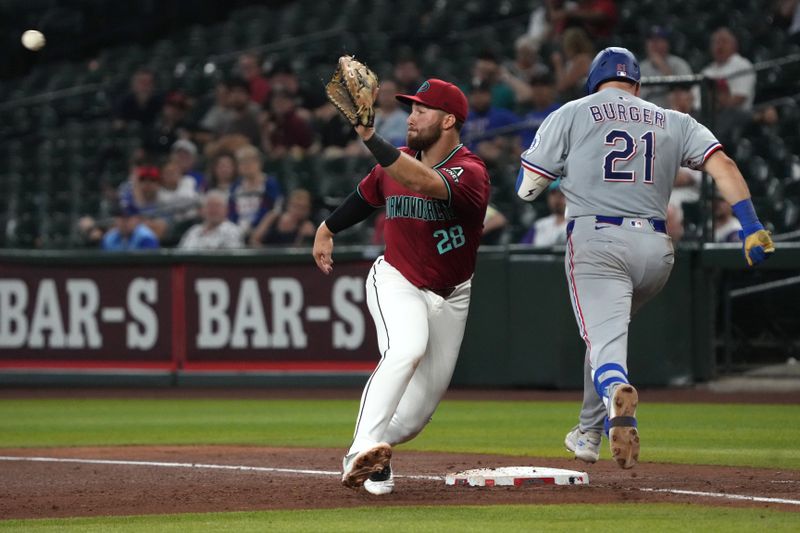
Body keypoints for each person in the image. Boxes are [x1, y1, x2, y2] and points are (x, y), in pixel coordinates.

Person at [516, 47, 774, 469]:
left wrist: (566, 167)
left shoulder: (574, 111)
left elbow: (528, 188)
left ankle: (619, 393)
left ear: (594, 82)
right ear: (637, 85)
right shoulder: (674, 119)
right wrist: (748, 225)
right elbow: (721, 163)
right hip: (657, 249)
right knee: (604, 338)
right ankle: (587, 434)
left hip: (598, 242)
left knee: (606, 347)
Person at [312, 78, 490, 495]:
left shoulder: (472, 171)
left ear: (449, 120)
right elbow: (365, 195)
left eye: (421, 110)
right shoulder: (395, 163)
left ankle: (377, 451)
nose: (411, 117)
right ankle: (362, 451)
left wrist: (371, 138)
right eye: (410, 110)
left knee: (411, 419)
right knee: (406, 348)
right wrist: (326, 227)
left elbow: (423, 182)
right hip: (397, 278)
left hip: (453, 295)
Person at [228, 145, 283, 236]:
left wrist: (260, 230)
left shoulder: (270, 183)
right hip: (238, 230)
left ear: (259, 163)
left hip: (264, 230)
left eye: (250, 161)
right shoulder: (235, 186)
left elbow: (275, 209)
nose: (246, 165)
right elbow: (231, 210)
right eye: (242, 162)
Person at [702, 28, 757, 111]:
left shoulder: (742, 65)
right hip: (708, 117)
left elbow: (739, 99)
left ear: (734, 45)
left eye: (724, 41)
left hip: (737, 117)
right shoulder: (706, 71)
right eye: (716, 42)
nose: (720, 46)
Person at [638, 26, 693, 108]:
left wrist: (663, 67)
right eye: (651, 40)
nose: (654, 44)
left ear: (667, 43)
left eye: (659, 40)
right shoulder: (639, 68)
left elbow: (686, 95)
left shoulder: (679, 64)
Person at [250, 188, 316, 247]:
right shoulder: (273, 217)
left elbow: (297, 253)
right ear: (288, 205)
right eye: (295, 206)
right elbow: (254, 240)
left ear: (308, 210)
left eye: (303, 208)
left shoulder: (307, 227)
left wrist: (302, 236)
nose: (298, 211)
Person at [178, 190, 244, 250]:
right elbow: (179, 255)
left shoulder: (232, 231)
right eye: (209, 206)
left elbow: (232, 259)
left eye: (217, 206)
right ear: (202, 210)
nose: (213, 210)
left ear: (226, 210)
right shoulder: (193, 231)